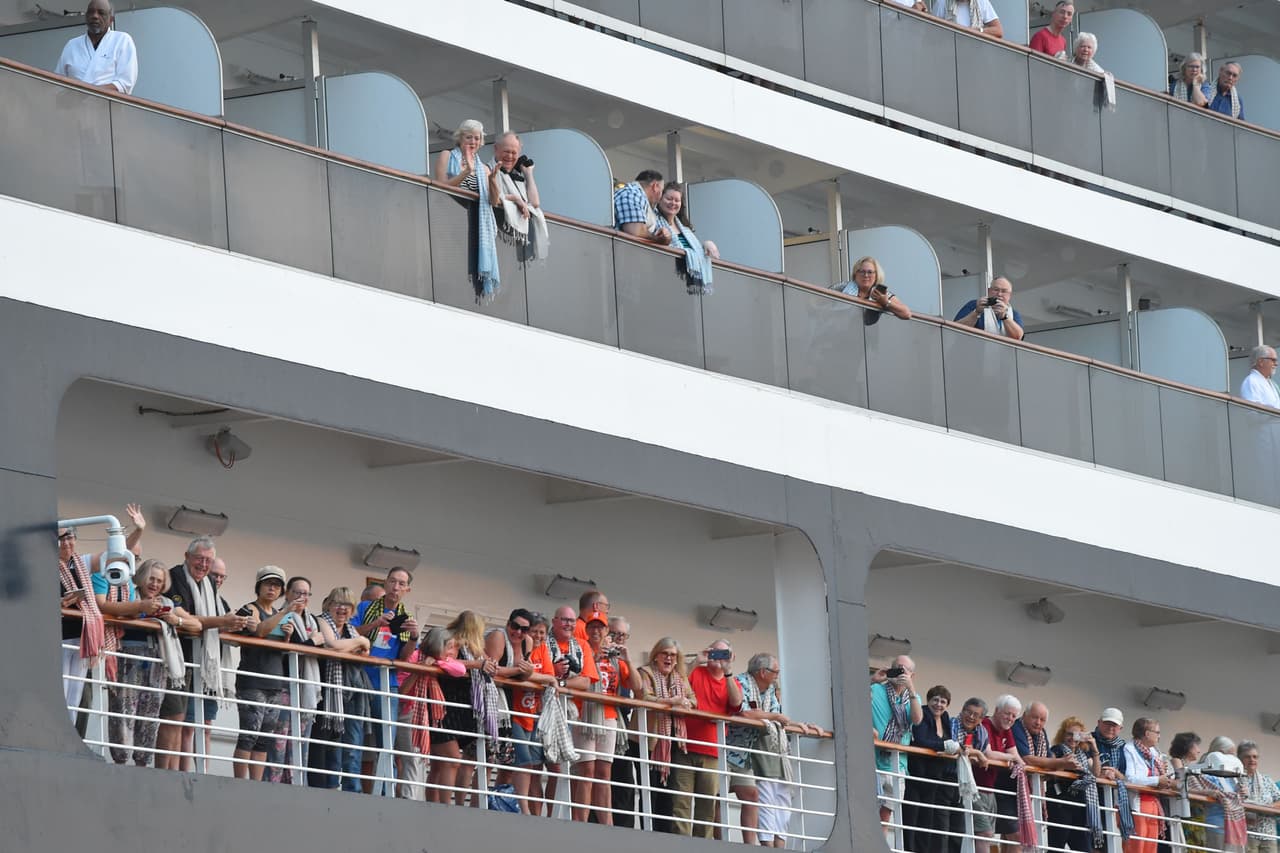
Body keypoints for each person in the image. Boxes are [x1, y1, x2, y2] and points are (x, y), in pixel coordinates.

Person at [160, 537, 247, 772]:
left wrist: (235, 623)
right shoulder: (174, 577)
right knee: (178, 720)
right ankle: (175, 772)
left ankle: (199, 772)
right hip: (178, 659)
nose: (204, 564)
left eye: (208, 560)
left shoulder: (209, 583)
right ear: (187, 556)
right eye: (199, 558)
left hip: (204, 667)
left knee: (202, 722)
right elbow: (187, 619)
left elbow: (207, 620)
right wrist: (222, 621)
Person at [56, 504, 149, 726]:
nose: (66, 543)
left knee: (75, 695)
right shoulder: (42, 566)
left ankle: (66, 732)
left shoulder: (81, 563)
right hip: (57, 638)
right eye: (60, 539)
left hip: (81, 637)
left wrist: (139, 530)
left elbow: (116, 555)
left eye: (70, 537)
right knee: (60, 689)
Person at [108, 559, 198, 767]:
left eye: (159, 581)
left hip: (157, 660)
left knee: (150, 714)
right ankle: (120, 762)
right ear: (141, 577)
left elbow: (196, 625)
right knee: (123, 711)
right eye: (151, 578)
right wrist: (141, 608)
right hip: (129, 657)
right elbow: (112, 610)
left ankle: (142, 764)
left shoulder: (166, 603)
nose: (154, 584)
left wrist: (176, 620)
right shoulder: (128, 595)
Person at [727, 653, 821, 848]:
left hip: (752, 756)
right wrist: (775, 717)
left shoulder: (769, 690)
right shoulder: (741, 682)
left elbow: (779, 720)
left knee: (757, 797)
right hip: (733, 750)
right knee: (722, 796)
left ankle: (755, 846)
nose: (778, 675)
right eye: (775, 671)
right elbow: (745, 712)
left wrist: (802, 726)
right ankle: (731, 841)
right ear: (763, 672)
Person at [353, 567, 420, 793]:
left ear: (407, 589)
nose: (395, 587)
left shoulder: (405, 617)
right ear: (385, 583)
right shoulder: (366, 607)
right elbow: (350, 633)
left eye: (401, 584)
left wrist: (414, 637)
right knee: (354, 736)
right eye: (392, 581)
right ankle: (352, 788)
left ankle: (385, 793)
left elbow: (403, 657)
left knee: (386, 742)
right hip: (360, 677)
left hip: (387, 682)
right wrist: (376, 623)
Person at [571, 607, 640, 824]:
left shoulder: (614, 657)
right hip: (585, 714)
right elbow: (575, 677)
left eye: (600, 627)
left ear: (606, 631)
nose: (595, 631)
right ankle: (581, 820)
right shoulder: (579, 649)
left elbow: (637, 686)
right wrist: (593, 658)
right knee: (587, 770)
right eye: (592, 627)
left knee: (604, 772)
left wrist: (627, 660)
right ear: (586, 629)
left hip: (609, 715)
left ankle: (606, 822)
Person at [230, 565, 292, 780]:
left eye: (277, 585)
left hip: (275, 680)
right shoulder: (250, 609)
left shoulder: (279, 614)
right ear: (259, 586)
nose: (272, 589)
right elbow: (259, 631)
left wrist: (287, 637)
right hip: (252, 679)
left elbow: (281, 649)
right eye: (268, 584)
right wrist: (284, 612)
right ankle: (240, 783)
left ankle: (256, 784)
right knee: (249, 734)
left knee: (264, 739)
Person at [431, 610, 497, 807]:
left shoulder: (474, 650)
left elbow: (487, 664)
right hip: (444, 707)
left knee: (440, 764)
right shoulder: (451, 642)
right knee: (450, 760)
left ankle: (437, 805)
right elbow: (444, 660)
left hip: (458, 710)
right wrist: (478, 664)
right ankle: (444, 807)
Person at [310, 587, 372, 791]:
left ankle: (341, 789)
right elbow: (332, 645)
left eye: (347, 605)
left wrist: (354, 644)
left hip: (349, 691)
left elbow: (365, 653)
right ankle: (322, 788)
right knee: (323, 742)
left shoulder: (351, 630)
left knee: (345, 743)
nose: (342, 608)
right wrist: (360, 641)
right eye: (338, 603)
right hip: (325, 691)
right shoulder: (321, 621)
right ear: (329, 605)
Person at [679, 639, 742, 838]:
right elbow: (677, 683)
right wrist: (696, 661)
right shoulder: (696, 671)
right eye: (715, 652)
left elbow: (736, 703)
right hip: (684, 747)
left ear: (731, 657)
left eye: (724, 654)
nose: (718, 657)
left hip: (713, 752)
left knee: (707, 806)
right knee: (680, 803)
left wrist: (728, 671)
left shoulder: (732, 681)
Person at [435, 119, 502, 303]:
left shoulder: (484, 169)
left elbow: (494, 201)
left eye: (477, 138)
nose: (473, 141)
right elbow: (439, 187)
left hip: (473, 224)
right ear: (460, 138)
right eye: (468, 137)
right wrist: (465, 172)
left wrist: (493, 180)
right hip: (449, 217)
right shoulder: (447, 156)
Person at [638, 636, 696, 834]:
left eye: (673, 655)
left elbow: (693, 700)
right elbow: (645, 696)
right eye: (665, 654)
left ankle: (664, 833)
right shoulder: (646, 672)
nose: (669, 658)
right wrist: (671, 701)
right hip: (649, 739)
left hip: (673, 741)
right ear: (656, 655)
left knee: (669, 792)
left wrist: (685, 703)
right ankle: (648, 831)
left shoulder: (680, 678)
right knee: (650, 788)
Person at [509, 612, 560, 815]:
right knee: (523, 762)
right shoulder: (520, 646)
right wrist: (543, 678)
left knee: (534, 767)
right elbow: (522, 673)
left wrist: (544, 678)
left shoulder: (544, 650)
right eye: (534, 631)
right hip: (515, 713)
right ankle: (523, 809)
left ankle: (532, 812)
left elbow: (549, 675)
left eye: (542, 632)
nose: (538, 636)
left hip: (535, 716)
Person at [903, 685, 959, 853]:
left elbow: (946, 742)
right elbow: (921, 740)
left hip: (935, 777)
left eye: (943, 702)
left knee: (927, 822)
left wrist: (951, 747)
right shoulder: (923, 713)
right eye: (935, 700)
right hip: (917, 775)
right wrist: (944, 745)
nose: (938, 704)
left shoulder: (945, 717)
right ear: (928, 700)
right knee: (911, 819)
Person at [871, 655, 924, 824]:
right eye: (897, 668)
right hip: (873, 761)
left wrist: (911, 689)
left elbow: (917, 720)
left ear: (912, 675)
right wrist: (873, 679)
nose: (900, 672)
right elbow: (853, 700)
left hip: (898, 764)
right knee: (867, 810)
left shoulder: (914, 697)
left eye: (904, 670)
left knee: (885, 816)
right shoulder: (875, 689)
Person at [55, 0, 137, 94]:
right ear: (86, 17)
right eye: (91, 12)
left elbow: (125, 84)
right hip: (73, 102)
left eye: (101, 13)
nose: (95, 16)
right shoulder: (72, 45)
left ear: (111, 19)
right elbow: (57, 83)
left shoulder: (122, 40)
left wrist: (87, 94)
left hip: (107, 102)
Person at [490, 131, 549, 261]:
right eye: (506, 151)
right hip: (497, 238)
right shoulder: (487, 170)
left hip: (515, 243)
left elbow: (535, 204)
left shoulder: (518, 176)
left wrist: (528, 173)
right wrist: (516, 199)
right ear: (496, 148)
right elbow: (493, 197)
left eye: (514, 153)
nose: (510, 156)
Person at [1047, 717, 1103, 853]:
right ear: (1062, 734)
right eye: (1069, 734)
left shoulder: (1082, 754)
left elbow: (1096, 773)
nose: (1072, 738)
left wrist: (1094, 748)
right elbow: (1051, 771)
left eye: (1077, 735)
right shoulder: (1056, 750)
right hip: (1060, 802)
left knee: (1083, 848)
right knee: (1057, 845)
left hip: (1080, 804)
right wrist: (1064, 764)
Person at [1125, 718, 1179, 853]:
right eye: (1157, 732)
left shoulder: (1154, 752)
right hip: (1137, 805)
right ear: (1147, 733)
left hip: (1153, 804)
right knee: (1137, 847)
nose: (1159, 736)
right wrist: (1157, 780)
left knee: (1151, 848)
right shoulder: (1129, 749)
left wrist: (1164, 776)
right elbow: (1130, 779)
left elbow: (1165, 776)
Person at [654, 181, 718, 295]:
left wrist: (706, 244)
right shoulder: (653, 222)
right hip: (667, 277)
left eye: (677, 200)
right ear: (660, 199)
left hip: (687, 284)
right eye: (669, 199)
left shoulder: (686, 229)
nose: (673, 203)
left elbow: (696, 253)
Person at [980, 695, 1025, 846]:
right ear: (997, 710)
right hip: (978, 786)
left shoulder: (1007, 729)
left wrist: (1021, 765)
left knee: (989, 834)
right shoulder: (985, 724)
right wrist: (1008, 757)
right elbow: (988, 753)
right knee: (984, 833)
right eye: (1007, 713)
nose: (1010, 718)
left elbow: (1016, 756)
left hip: (990, 788)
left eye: (1014, 716)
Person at [951, 698, 992, 853]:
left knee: (960, 829)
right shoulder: (952, 723)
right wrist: (978, 753)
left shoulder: (982, 732)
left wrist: (974, 753)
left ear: (981, 719)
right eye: (968, 712)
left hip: (966, 783)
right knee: (948, 827)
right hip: (948, 778)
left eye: (976, 715)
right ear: (962, 711)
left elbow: (971, 754)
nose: (971, 717)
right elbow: (955, 746)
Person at [838, 256, 913, 321]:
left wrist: (886, 302)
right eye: (862, 271)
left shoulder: (880, 293)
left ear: (876, 275)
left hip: (868, 332)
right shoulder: (843, 287)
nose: (866, 275)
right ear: (855, 273)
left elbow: (907, 314)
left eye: (870, 272)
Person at [1238, 741, 1280, 853]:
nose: (1252, 760)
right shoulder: (1236, 779)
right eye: (1248, 757)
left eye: (1255, 757)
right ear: (1240, 759)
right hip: (1247, 833)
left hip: (1269, 834)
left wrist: (1269, 807)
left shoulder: (1267, 780)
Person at [1169, 732, 1207, 851]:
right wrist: (1207, 792)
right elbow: (1182, 786)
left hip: (1196, 812)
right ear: (1187, 746)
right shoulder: (1177, 761)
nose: (1199, 750)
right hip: (1187, 813)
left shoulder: (1191, 766)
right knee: (1190, 846)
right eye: (1196, 745)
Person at [613, 169, 671, 246]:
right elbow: (636, 231)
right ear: (655, 186)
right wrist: (658, 239)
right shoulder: (632, 194)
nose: (661, 196)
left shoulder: (640, 198)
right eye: (661, 191)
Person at [954, 277, 1023, 340]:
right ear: (989, 291)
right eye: (996, 290)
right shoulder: (975, 305)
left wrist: (1005, 317)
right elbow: (955, 330)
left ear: (1009, 295)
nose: (999, 294)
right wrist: (976, 312)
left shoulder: (1013, 313)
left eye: (1004, 291)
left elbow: (1018, 337)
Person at [930, 0, 1003, 37]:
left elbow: (998, 31)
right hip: (949, 51)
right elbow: (932, 32)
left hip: (976, 51)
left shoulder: (981, 2)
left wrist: (978, 31)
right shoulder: (942, 3)